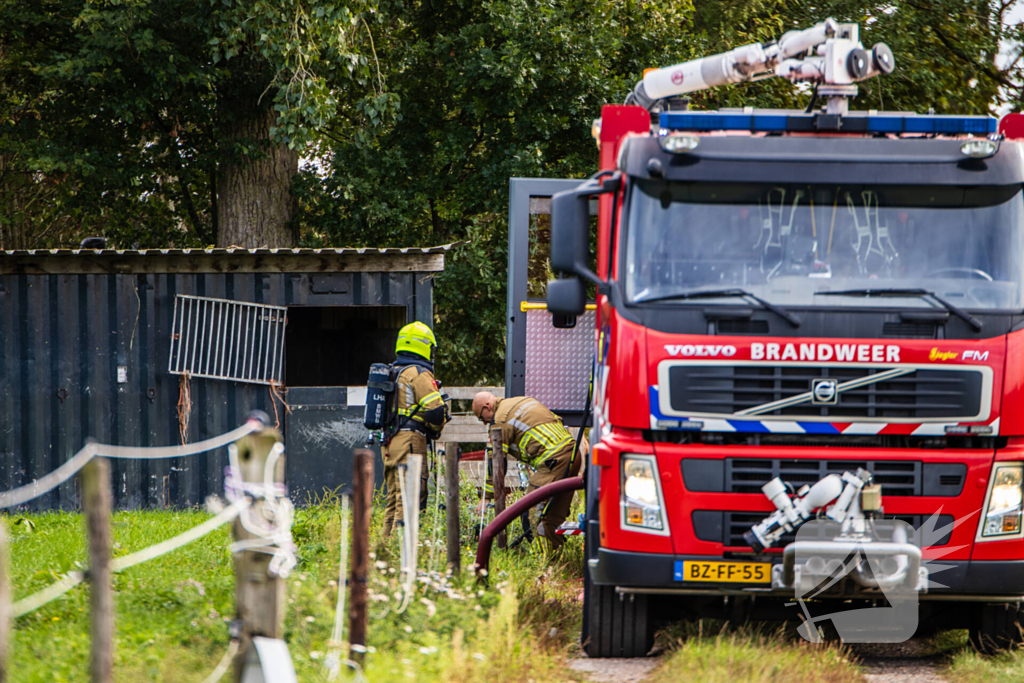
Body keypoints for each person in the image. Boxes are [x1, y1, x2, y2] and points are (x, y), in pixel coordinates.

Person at [472, 391, 583, 553]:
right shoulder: (521, 401)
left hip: (554, 461)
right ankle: (557, 561)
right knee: (553, 517)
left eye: (481, 418)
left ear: (486, 407)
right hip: (573, 455)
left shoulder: (499, 421)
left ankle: (541, 561)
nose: (484, 423)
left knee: (531, 514)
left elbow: (496, 464)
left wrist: (486, 497)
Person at [382, 322, 449, 539]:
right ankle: (400, 550)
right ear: (424, 347)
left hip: (390, 441)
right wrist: (438, 425)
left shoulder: (394, 371)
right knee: (408, 494)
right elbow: (435, 412)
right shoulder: (418, 373)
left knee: (394, 497)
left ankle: (384, 549)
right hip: (410, 439)